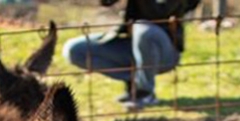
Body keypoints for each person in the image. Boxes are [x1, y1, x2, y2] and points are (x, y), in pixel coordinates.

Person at [62, 0, 201, 109]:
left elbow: (159, 12)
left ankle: (145, 93)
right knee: (75, 50)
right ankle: (135, 82)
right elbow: (106, 2)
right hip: (129, 42)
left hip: (165, 50)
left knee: (143, 29)